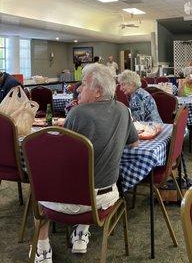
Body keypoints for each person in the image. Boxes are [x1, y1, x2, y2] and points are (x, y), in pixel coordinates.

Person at [32, 64, 139, 262]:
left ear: (98, 91)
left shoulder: (77, 113)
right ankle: (81, 232)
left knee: (41, 181)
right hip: (103, 199)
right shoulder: (124, 110)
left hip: (72, 200)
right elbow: (134, 142)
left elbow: (63, 157)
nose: (78, 89)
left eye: (84, 84)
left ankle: (42, 245)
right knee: (89, 173)